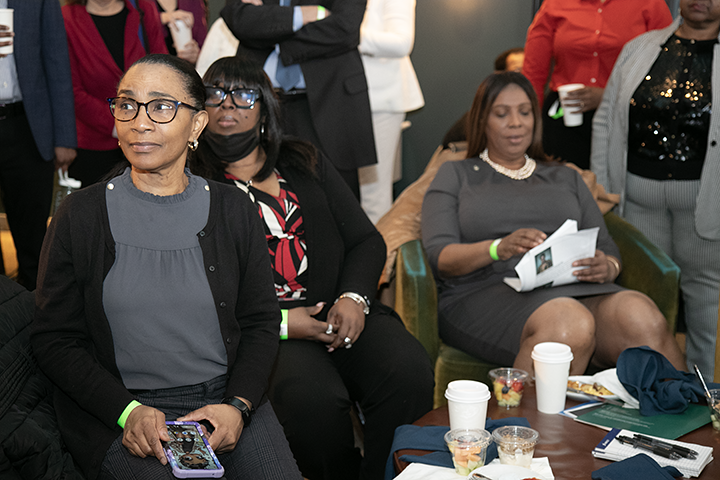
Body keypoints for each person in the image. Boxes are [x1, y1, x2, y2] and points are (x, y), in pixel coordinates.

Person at [31, 54, 300, 480]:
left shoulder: (232, 209)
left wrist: (239, 406)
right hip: (125, 409)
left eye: (161, 107)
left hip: (226, 399)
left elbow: (260, 322)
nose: (139, 122)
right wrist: (127, 412)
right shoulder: (81, 214)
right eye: (127, 105)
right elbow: (55, 339)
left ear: (196, 125)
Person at [192, 56, 434, 480]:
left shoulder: (304, 161)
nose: (228, 103)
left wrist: (354, 298)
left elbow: (366, 240)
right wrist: (286, 324)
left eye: (243, 94)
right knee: (312, 405)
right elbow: (197, 285)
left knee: (407, 370)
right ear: (200, 111)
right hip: (266, 329)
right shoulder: (194, 183)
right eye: (216, 93)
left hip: (340, 307)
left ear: (264, 108)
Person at [421, 72, 685, 375]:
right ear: (482, 121)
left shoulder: (566, 176)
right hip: (486, 292)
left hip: (574, 289)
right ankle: (521, 409)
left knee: (640, 315)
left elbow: (605, 245)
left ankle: (690, 405)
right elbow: (440, 257)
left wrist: (608, 266)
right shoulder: (456, 174)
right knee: (567, 323)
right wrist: (497, 248)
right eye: (502, 114)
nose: (516, 123)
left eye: (524, 112)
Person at [591, 0, 720, 379]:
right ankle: (650, 392)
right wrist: (602, 187)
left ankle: (705, 398)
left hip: (705, 204)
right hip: (636, 200)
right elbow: (605, 121)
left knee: (706, 308)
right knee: (642, 302)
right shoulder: (640, 48)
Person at [220, 0, 377, 199]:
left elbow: (345, 28)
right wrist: (301, 15)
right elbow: (239, 18)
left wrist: (271, 36)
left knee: (336, 201)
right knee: (256, 197)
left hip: (329, 103)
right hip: (262, 105)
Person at [522, 0, 672, 169]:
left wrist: (609, 96)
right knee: (563, 180)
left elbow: (665, 74)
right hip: (565, 117)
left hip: (625, 116)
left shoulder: (650, 4)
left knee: (613, 181)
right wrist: (528, 123)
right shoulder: (555, 4)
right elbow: (533, 75)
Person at [0, 0, 76, 290]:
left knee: (34, 240)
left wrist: (64, 136)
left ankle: (35, 309)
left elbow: (57, 60)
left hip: (29, 128)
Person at [62, 0, 168, 188]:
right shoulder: (67, 18)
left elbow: (164, 70)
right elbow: (70, 90)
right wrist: (121, 124)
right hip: (94, 146)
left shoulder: (143, 7)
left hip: (146, 138)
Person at [357, 0, 424, 224]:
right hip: (342, 97)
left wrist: (342, 32)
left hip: (381, 100)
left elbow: (401, 42)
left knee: (373, 192)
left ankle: (378, 246)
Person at [154, 0, 206, 64]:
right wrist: (163, 18)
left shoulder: (193, 2)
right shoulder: (143, 4)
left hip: (184, 68)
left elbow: (203, 46)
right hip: (153, 67)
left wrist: (196, 55)